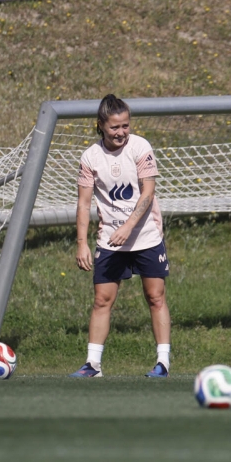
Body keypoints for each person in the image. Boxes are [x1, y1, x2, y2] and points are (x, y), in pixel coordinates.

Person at [72, 94, 172, 378]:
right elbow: (83, 203)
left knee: (155, 297)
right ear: (101, 125)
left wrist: (128, 227)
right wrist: (82, 244)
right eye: (115, 127)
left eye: (125, 126)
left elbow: (148, 191)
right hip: (109, 240)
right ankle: (93, 364)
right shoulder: (90, 157)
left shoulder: (140, 147)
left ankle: (162, 363)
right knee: (102, 299)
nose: (121, 132)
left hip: (146, 237)